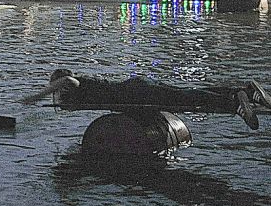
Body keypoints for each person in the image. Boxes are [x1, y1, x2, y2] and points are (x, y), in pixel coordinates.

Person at [44, 69, 271, 130]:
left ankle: (234, 103)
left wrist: (34, 97)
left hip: (136, 93)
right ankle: (243, 92)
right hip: (135, 91)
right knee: (186, 93)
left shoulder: (77, 84)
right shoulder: (80, 92)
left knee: (185, 99)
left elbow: (68, 81)